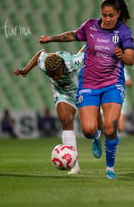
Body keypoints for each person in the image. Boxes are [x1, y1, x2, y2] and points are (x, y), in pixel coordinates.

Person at [39, 0, 134, 180]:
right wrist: (51, 38)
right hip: (88, 83)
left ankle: (110, 168)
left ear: (118, 14)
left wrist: (121, 55)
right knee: (88, 129)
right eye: (104, 15)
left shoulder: (124, 32)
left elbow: (130, 59)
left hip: (112, 83)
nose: (106, 19)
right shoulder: (90, 26)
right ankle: (95, 136)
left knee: (111, 127)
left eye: (111, 16)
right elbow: (71, 35)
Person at [13, 46, 86, 174]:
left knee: (90, 129)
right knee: (66, 120)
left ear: (63, 67)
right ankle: (75, 165)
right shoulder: (44, 62)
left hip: (83, 91)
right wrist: (25, 70)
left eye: (56, 74)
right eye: (51, 75)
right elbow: (41, 53)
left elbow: (88, 47)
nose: (55, 78)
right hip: (63, 93)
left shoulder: (73, 62)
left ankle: (96, 137)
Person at [118, 67, 132, 133]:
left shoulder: (120, 66)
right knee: (107, 126)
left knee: (120, 127)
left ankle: (114, 140)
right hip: (104, 97)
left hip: (120, 97)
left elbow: (129, 82)